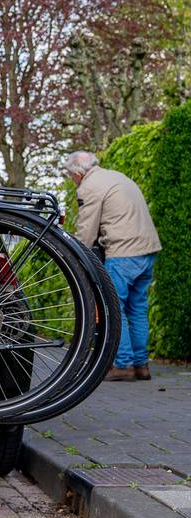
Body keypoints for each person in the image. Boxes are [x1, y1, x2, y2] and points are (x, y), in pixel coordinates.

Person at [64, 151, 162, 381]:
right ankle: (141, 366)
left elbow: (86, 232)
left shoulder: (89, 186)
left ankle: (123, 364)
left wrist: (72, 254)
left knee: (114, 309)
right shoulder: (117, 176)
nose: (71, 179)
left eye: (70, 175)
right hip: (147, 250)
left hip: (123, 253)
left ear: (78, 172)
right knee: (137, 309)